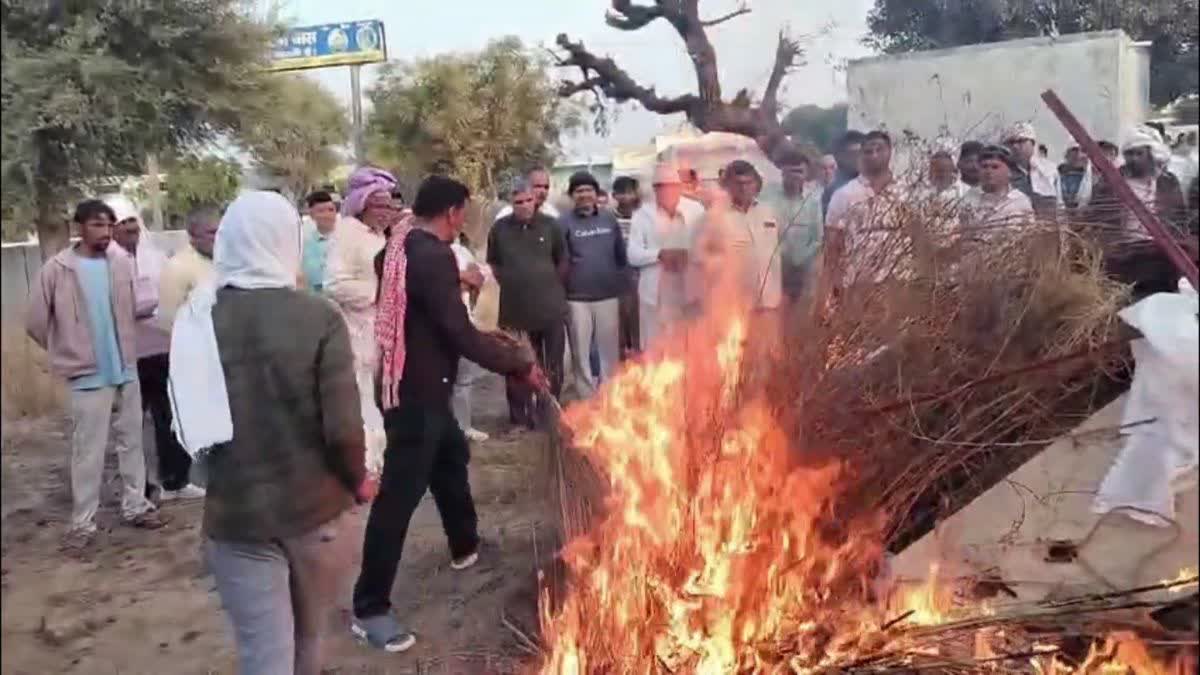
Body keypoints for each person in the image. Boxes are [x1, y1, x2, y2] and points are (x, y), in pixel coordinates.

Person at [170, 191, 370, 675]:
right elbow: (343, 427)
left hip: (236, 517)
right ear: (288, 242)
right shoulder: (318, 316)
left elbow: (187, 424)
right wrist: (359, 480)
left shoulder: (198, 317)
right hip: (315, 514)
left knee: (264, 656)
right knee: (309, 641)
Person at [352, 176, 543, 652]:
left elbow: (414, 292)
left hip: (415, 383)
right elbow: (459, 332)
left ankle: (465, 545)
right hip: (415, 392)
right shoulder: (431, 254)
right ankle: (370, 607)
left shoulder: (399, 245)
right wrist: (518, 364)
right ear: (454, 213)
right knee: (398, 497)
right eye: (464, 212)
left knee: (451, 456)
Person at [25, 200, 165, 551]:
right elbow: (36, 324)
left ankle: (136, 505)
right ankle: (82, 523)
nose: (105, 232)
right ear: (79, 228)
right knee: (88, 450)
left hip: (125, 367)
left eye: (108, 226)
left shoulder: (120, 264)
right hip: (88, 374)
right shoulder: (57, 270)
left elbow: (133, 309)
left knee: (132, 441)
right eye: (97, 226)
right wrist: (68, 351)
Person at [106, 195, 201, 501]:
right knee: (133, 425)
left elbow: (173, 297)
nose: (129, 228)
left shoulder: (157, 257)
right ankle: (140, 490)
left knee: (171, 417)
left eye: (132, 221)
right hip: (127, 354)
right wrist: (149, 304)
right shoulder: (104, 262)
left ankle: (176, 481)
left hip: (163, 348)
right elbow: (117, 306)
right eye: (122, 224)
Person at [325, 167, 406, 476]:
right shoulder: (346, 232)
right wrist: (380, 294)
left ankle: (384, 458)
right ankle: (368, 465)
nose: (386, 212)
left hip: (383, 328)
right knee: (362, 399)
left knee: (381, 396)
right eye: (379, 205)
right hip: (357, 327)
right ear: (362, 204)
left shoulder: (377, 234)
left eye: (389, 205)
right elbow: (334, 284)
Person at [487, 179, 568, 429]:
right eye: (518, 202)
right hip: (515, 312)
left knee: (552, 365)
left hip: (550, 309)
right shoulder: (499, 229)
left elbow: (562, 262)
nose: (523, 206)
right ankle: (520, 418)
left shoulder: (551, 226)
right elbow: (495, 264)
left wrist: (546, 284)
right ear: (511, 204)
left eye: (528, 200)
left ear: (536, 200)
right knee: (516, 366)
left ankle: (548, 415)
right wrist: (517, 283)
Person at [559, 171, 627, 397]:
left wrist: (624, 288)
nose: (584, 195)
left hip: (608, 297)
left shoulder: (609, 219)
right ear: (572, 195)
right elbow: (560, 261)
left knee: (609, 353)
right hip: (577, 299)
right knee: (581, 353)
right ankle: (587, 401)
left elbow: (621, 257)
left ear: (596, 194)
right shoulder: (564, 223)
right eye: (579, 191)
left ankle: (610, 399)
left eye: (588, 190)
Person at [628, 163, 705, 349]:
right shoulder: (642, 215)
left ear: (679, 187)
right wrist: (660, 254)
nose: (667, 191)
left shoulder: (696, 210)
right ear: (654, 189)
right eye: (661, 187)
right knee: (655, 345)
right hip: (654, 291)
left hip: (688, 289)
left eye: (672, 186)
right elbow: (633, 254)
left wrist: (690, 255)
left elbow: (708, 245)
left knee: (688, 342)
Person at [695, 160, 784, 312]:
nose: (743, 188)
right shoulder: (712, 217)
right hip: (733, 305)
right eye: (738, 183)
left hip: (769, 301)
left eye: (748, 183)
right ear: (727, 186)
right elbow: (699, 258)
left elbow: (779, 250)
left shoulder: (770, 213)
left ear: (756, 184)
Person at [825, 130, 906, 287]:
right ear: (861, 155)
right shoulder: (844, 195)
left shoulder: (905, 192)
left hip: (899, 282)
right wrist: (833, 284)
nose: (874, 155)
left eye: (879, 149)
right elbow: (832, 244)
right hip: (857, 283)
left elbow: (916, 236)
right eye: (868, 151)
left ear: (890, 152)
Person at [1086, 125, 1188, 242]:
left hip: (1163, 250)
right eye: (1130, 154)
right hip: (1123, 250)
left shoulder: (1168, 182)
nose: (1134, 158)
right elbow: (1096, 217)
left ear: (1151, 155)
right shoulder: (1111, 180)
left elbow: (1180, 218)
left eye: (1139, 154)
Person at [449, 233, 491, 443]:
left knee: (463, 380)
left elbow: (478, 278)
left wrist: (461, 279)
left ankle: (463, 427)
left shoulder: (462, 250)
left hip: (464, 320)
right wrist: (461, 278)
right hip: (436, 323)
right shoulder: (423, 249)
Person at [767, 148, 823, 303]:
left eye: (799, 171)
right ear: (782, 172)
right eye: (790, 171)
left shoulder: (813, 202)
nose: (795, 176)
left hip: (801, 273)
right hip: (771, 271)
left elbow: (818, 239)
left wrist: (800, 259)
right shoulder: (766, 196)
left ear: (806, 174)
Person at [157, 204, 219, 329]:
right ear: (193, 235)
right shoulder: (177, 267)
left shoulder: (230, 261)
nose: (218, 237)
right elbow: (168, 323)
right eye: (212, 233)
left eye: (221, 231)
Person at [959, 145, 1034, 237]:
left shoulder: (1020, 202)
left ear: (1009, 172)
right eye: (984, 166)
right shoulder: (968, 198)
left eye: (995, 167)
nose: (988, 171)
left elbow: (1030, 238)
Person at [1004, 122, 1061, 217]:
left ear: (1032, 143)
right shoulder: (1004, 171)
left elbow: (1060, 205)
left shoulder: (1049, 169)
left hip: (1047, 226)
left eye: (1021, 141)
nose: (1015, 146)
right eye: (1011, 142)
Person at [612, 176, 642, 358]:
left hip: (642, 275)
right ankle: (622, 358)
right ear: (614, 195)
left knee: (639, 320)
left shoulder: (644, 216)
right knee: (620, 319)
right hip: (619, 276)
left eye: (629, 192)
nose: (626, 197)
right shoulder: (609, 217)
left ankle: (640, 355)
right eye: (621, 193)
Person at [300, 190, 340, 293]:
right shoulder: (305, 245)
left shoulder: (346, 238)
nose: (327, 215)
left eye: (331, 210)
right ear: (312, 215)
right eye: (321, 211)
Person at [822, 130, 866, 217]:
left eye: (862, 153)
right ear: (841, 156)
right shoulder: (834, 187)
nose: (858, 158)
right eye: (853, 154)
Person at [493, 166, 560, 221]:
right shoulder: (505, 216)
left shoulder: (552, 215)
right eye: (537, 186)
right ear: (526, 186)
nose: (543, 191)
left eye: (546, 187)